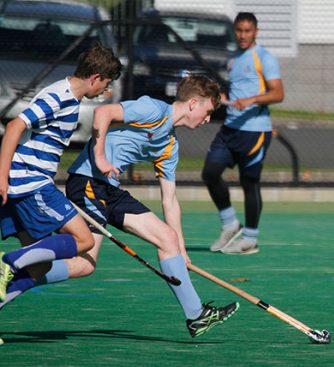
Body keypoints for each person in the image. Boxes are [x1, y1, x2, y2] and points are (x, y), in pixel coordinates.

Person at [0, 75, 240, 338]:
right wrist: (100, 157)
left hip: (110, 190)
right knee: (83, 259)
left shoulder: (170, 145)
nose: (207, 120)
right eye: (207, 112)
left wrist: (181, 250)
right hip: (88, 180)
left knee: (160, 241)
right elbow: (103, 112)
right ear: (193, 103)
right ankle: (17, 272)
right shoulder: (153, 109)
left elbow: (169, 199)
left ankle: (196, 316)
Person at [0, 43, 122, 301]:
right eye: (105, 83)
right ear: (95, 77)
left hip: (26, 182)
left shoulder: (66, 93)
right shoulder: (60, 97)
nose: (105, 90)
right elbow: (14, 126)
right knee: (84, 240)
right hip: (30, 183)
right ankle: (8, 262)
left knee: (39, 265)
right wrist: (2, 177)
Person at [202, 11, 284, 255]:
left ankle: (250, 239)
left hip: (255, 131)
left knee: (249, 182)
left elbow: (278, 93)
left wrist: (251, 100)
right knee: (210, 172)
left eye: (247, 31)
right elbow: (237, 90)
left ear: (256, 32)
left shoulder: (265, 58)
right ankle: (230, 223)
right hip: (230, 129)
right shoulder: (234, 59)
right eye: (239, 30)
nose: (243, 35)